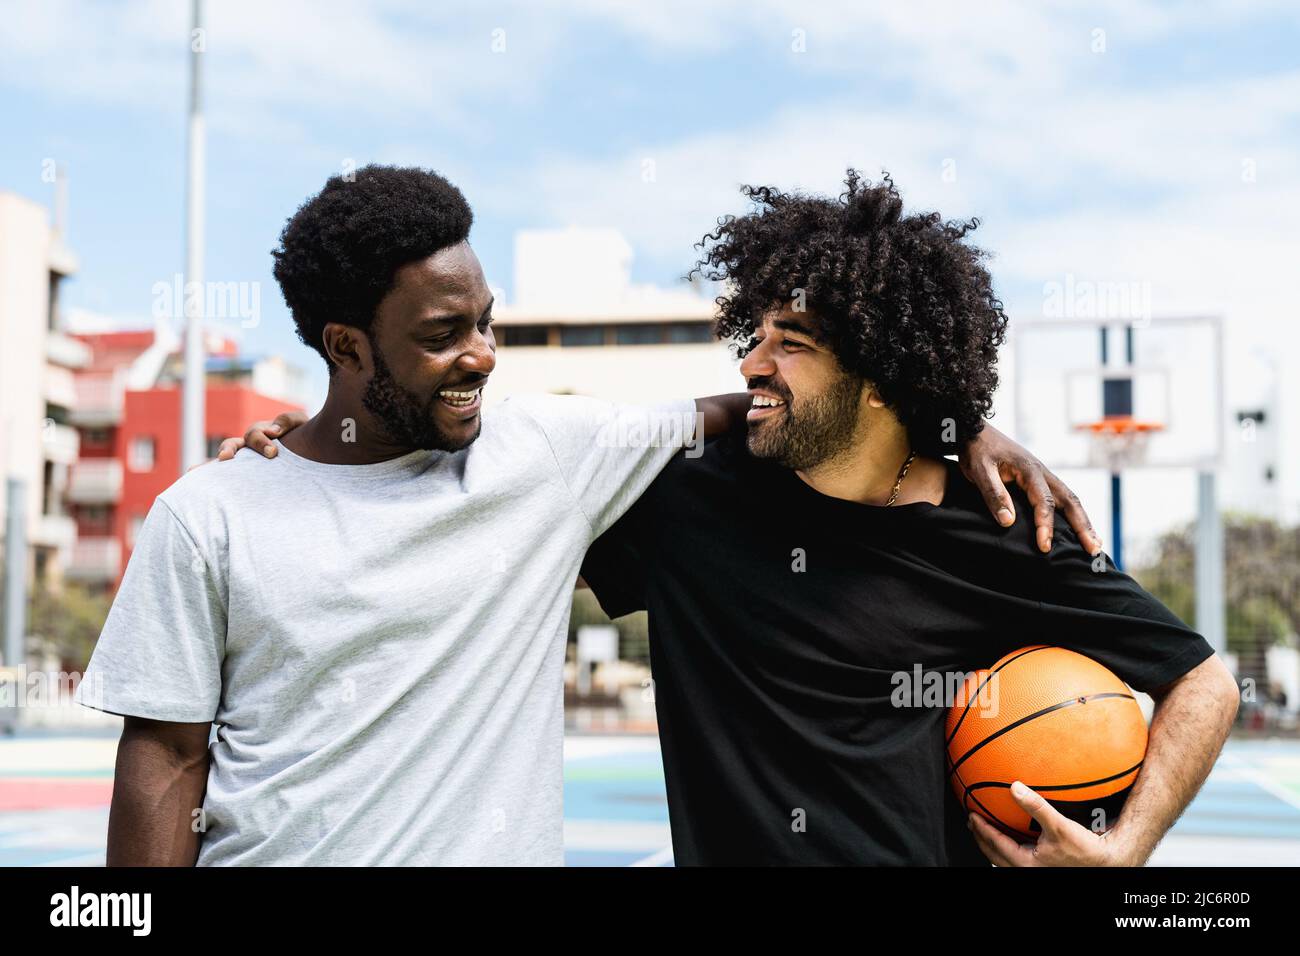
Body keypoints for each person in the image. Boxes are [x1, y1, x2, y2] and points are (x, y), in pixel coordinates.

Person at [80, 165, 1091, 866]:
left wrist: (949, 424)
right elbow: (165, 759)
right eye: (442, 335)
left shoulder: (548, 457)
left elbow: (773, 411)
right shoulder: (208, 515)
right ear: (347, 348)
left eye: (486, 320)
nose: (480, 353)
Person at [569, 172, 1239, 865]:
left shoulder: (1002, 529)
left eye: (790, 343)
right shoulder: (688, 500)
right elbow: (531, 540)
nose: (751, 363)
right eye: (757, 335)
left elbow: (1203, 683)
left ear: (884, 380)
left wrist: (1127, 849)